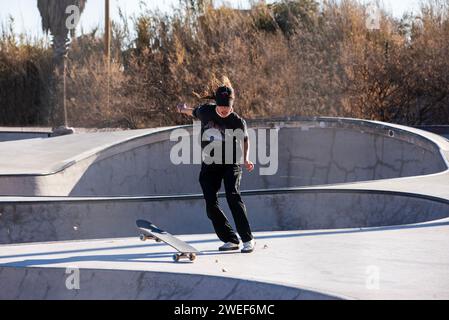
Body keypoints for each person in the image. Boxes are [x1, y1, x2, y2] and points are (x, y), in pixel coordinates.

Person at [176, 77, 256, 253]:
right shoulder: (206, 111)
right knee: (210, 203)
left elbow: (245, 140)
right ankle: (230, 238)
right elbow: (193, 112)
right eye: (221, 108)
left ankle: (247, 239)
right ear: (216, 104)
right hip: (210, 162)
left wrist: (246, 158)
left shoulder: (237, 121)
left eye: (227, 108)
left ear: (232, 106)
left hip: (231, 162)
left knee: (232, 196)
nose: (224, 111)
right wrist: (183, 110)